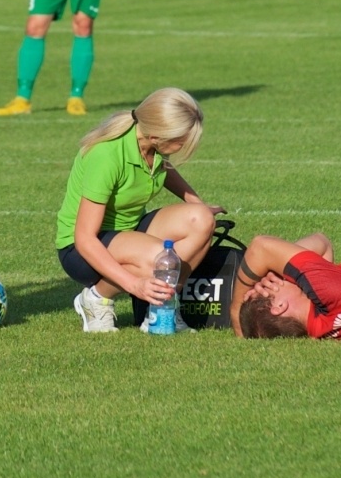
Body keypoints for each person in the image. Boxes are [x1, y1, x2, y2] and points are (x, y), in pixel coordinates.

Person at [55, 87, 223, 332]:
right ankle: (96, 299)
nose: (185, 145)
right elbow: (84, 238)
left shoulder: (151, 147)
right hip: (80, 249)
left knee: (202, 220)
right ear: (156, 135)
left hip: (130, 230)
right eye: (182, 140)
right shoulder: (106, 155)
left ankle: (162, 305)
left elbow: (163, 169)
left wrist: (196, 202)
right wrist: (135, 285)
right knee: (161, 258)